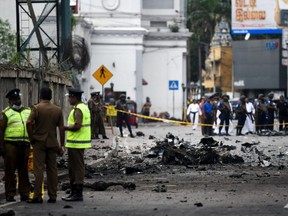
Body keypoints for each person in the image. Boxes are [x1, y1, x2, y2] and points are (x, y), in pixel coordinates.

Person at [26, 87, 65, 203]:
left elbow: (28, 122)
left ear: (40, 96)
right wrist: (62, 145)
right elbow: (62, 129)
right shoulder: (57, 110)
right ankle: (53, 195)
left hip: (39, 143)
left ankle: (37, 196)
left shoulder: (36, 108)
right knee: (52, 170)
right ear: (51, 96)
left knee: (38, 169)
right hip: (53, 143)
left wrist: (31, 137)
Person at [0, 88, 31, 202]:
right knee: (10, 171)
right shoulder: (5, 113)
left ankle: (24, 194)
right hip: (11, 146)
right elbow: (1, 131)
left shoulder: (27, 111)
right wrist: (2, 147)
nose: (17, 101)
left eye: (18, 99)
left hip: (25, 145)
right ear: (10, 101)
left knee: (23, 171)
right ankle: (10, 194)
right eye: (14, 100)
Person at [62, 88, 91, 202]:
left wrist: (64, 128)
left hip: (76, 143)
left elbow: (77, 126)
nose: (68, 99)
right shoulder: (83, 107)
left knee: (76, 168)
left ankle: (78, 193)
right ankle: (74, 192)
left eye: (69, 97)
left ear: (74, 97)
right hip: (77, 142)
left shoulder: (78, 109)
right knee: (73, 167)